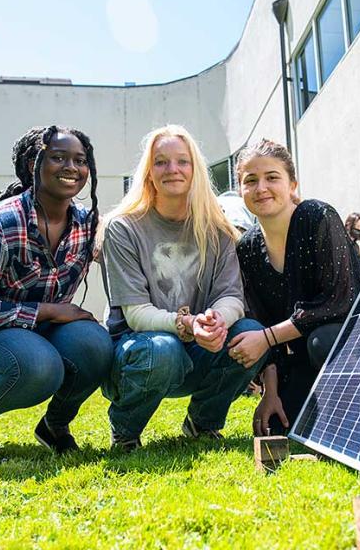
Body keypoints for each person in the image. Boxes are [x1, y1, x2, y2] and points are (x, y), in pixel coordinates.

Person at [0, 125, 113, 461]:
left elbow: (132, 240)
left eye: (80, 159)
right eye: (58, 157)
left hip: (31, 336)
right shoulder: (1, 222)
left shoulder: (86, 225)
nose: (72, 167)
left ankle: (55, 425)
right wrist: (48, 311)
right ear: (34, 164)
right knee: (38, 363)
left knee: (95, 344)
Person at [99, 124, 267, 450]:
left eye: (182, 161)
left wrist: (217, 320)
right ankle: (126, 431)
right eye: (161, 162)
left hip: (198, 350)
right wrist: (188, 323)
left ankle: (202, 424)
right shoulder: (123, 228)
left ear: (195, 171)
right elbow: (136, 314)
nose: (172, 169)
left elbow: (231, 295)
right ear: (148, 173)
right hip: (138, 355)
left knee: (249, 331)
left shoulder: (216, 229)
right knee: (164, 348)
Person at [231, 139, 360, 437]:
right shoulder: (247, 249)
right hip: (301, 352)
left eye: (272, 177)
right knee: (280, 424)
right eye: (250, 180)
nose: (261, 188)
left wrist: (266, 338)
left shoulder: (317, 216)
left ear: (292, 184)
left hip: (354, 341)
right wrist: (270, 391)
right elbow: (261, 320)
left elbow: (338, 303)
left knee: (322, 341)